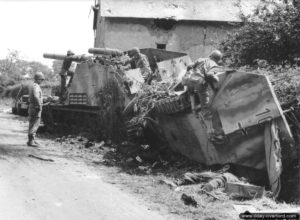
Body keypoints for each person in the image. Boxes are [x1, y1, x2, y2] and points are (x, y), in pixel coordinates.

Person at [182, 50, 223, 119]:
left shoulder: (201, 59)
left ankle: (193, 109)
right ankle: (207, 116)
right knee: (205, 101)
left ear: (210, 55)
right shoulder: (214, 65)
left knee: (191, 93)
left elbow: (189, 66)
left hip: (190, 81)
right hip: (199, 83)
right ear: (218, 60)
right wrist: (216, 79)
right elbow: (209, 75)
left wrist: (189, 73)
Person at [27, 72, 45, 147]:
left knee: (33, 123)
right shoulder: (36, 86)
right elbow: (36, 96)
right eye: (41, 79)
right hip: (35, 107)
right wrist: (39, 106)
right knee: (34, 124)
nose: (42, 81)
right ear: (38, 79)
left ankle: (31, 140)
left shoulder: (33, 86)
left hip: (33, 106)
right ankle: (31, 141)